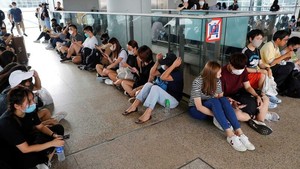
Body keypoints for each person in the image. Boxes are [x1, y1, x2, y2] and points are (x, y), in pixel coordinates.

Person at [188, 61, 255, 151]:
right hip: (197, 109)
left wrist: (229, 101)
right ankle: (230, 135)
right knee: (214, 101)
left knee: (223, 99)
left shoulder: (217, 81)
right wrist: (220, 115)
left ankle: (239, 132)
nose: (221, 75)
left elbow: (220, 97)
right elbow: (199, 106)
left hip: (212, 106)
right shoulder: (198, 82)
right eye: (219, 73)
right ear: (211, 74)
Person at [0, 86, 65, 169]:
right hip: (14, 151)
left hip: (27, 139)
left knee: (58, 129)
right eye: (29, 101)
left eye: (33, 99)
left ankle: (44, 158)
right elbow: (25, 149)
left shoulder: (29, 110)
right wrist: (52, 143)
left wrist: (53, 135)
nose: (33, 103)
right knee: (31, 157)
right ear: (17, 106)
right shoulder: (7, 123)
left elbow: (40, 127)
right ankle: (44, 160)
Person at [220, 53, 277, 135]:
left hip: (240, 93)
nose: (239, 71)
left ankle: (260, 121)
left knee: (265, 99)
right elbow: (221, 96)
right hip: (229, 97)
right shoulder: (222, 74)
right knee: (236, 115)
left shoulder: (243, 70)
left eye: (241, 69)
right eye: (236, 69)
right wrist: (232, 102)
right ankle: (259, 116)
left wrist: (257, 96)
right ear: (230, 64)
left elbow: (247, 87)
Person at [124, 52, 183, 123]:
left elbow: (163, 77)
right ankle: (134, 106)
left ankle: (147, 114)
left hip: (172, 101)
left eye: (166, 64)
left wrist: (173, 66)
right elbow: (152, 73)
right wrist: (158, 61)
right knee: (148, 84)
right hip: (164, 96)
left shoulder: (178, 74)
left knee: (155, 88)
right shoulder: (166, 69)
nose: (164, 65)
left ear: (170, 65)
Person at [242, 29, 281, 108]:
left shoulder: (257, 50)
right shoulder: (245, 51)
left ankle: (267, 95)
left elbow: (260, 63)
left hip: (255, 73)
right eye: (257, 38)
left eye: (261, 39)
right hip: (246, 76)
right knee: (263, 75)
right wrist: (259, 70)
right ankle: (265, 97)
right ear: (250, 39)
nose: (259, 41)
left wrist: (267, 68)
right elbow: (243, 69)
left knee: (268, 72)